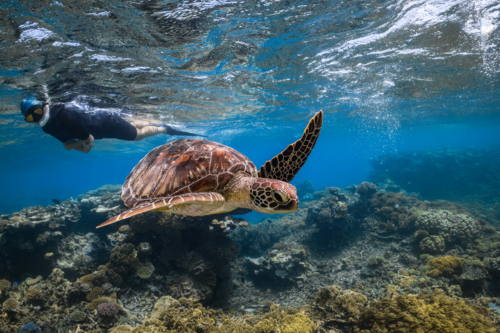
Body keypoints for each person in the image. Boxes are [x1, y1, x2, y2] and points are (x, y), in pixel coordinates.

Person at [20, 99, 204, 153]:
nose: (37, 117)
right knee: (132, 127)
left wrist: (72, 145)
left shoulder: (66, 114)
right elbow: (70, 143)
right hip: (103, 127)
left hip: (108, 123)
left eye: (36, 111)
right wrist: (72, 145)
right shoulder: (46, 127)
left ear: (43, 106)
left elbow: (86, 147)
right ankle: (148, 120)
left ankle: (164, 128)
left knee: (136, 136)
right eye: (30, 118)